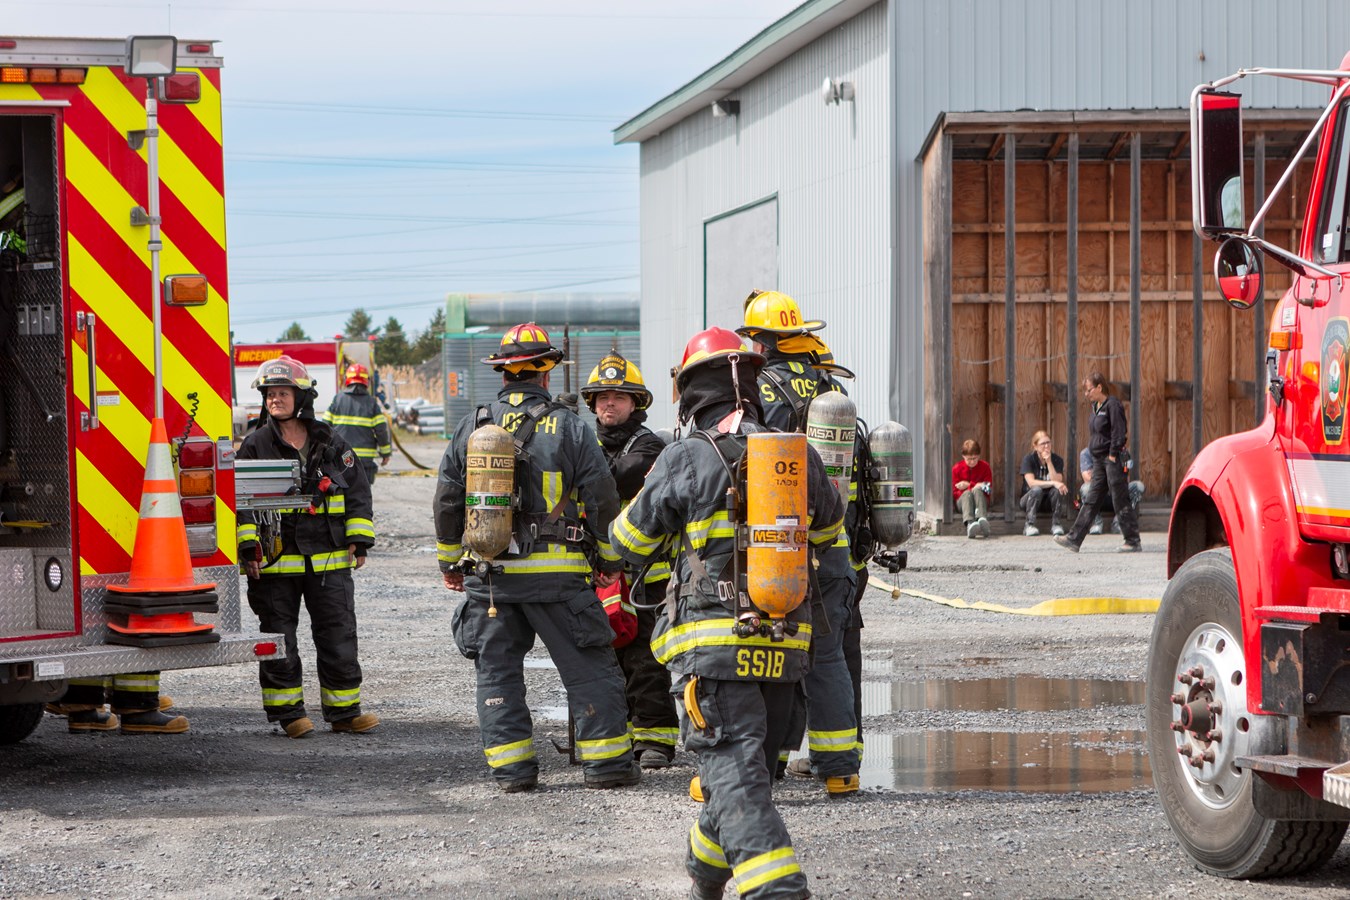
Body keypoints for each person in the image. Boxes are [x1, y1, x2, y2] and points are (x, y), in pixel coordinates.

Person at [610, 326, 844, 900]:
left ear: (693, 392)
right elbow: (832, 527)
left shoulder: (685, 455)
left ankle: (777, 890)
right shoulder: (795, 452)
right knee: (745, 777)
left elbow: (627, 541)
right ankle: (703, 880)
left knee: (736, 778)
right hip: (786, 643)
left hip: (715, 649)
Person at [434, 323, 638, 793]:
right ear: (547, 373)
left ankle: (513, 772)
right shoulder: (569, 426)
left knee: (497, 674)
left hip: (491, 577)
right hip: (558, 578)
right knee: (589, 669)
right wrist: (608, 559)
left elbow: (447, 498)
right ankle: (607, 767)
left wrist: (450, 563)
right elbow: (602, 495)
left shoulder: (475, 424)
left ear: (503, 373)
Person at [738, 290, 860, 795]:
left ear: (762, 342)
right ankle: (840, 770)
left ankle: (774, 760)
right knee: (827, 653)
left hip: (777, 547)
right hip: (834, 544)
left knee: (772, 653)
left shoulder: (758, 386)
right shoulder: (831, 387)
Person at [237, 356, 379, 738]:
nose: (274, 400)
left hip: (329, 561)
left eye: (282, 393)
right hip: (276, 565)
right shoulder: (255, 445)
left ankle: (345, 712)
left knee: (338, 635)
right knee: (280, 640)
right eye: (269, 394)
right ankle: (289, 715)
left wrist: (359, 539)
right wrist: (249, 550)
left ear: (302, 397)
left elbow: (358, 491)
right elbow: (241, 502)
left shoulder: (329, 441)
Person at [579, 352, 679, 770]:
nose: (609, 404)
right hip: (597, 573)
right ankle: (614, 735)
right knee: (603, 657)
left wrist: (577, 462)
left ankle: (655, 739)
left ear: (636, 403)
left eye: (619, 397)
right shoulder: (586, 443)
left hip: (644, 577)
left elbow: (618, 476)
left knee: (645, 658)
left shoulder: (650, 446)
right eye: (602, 397)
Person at [1056, 372, 1142, 552]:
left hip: (1112, 460)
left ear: (1099, 387)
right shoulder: (1096, 407)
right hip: (1098, 461)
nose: (1086, 394)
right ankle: (1074, 539)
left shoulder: (1113, 405)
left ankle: (1132, 540)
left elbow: (1119, 432)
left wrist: (1112, 454)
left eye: (1089, 390)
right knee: (1091, 499)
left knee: (1120, 498)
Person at [324, 363, 391, 484]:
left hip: (340, 457)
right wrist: (385, 453)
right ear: (366, 381)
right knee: (362, 496)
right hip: (364, 461)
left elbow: (325, 426)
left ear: (347, 379)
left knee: (341, 493)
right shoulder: (371, 403)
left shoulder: (338, 399)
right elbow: (381, 430)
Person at [1078, 445, 1145, 535]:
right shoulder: (1087, 453)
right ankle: (1096, 523)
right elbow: (1087, 478)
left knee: (1138, 486)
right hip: (1098, 496)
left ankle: (1119, 523)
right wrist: (1113, 473)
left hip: (1117, 494)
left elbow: (1125, 478)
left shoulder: (1122, 452)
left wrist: (1098, 475)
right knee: (1086, 488)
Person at [1019, 430, 1068, 536]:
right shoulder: (1029, 459)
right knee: (1037, 489)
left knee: (1058, 489)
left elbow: (1058, 481)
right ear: (1035, 446)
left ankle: (1056, 524)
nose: (1046, 446)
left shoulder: (1057, 460)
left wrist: (1049, 462)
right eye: (1042, 444)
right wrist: (1053, 483)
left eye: (1048, 442)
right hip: (1029, 500)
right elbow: (1031, 483)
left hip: (1048, 501)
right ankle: (1029, 525)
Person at [952, 438, 992, 538]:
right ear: (963, 456)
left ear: (979, 456)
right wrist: (976, 485)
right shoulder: (956, 468)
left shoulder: (985, 467)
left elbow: (988, 488)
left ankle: (982, 519)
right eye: (969, 459)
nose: (972, 461)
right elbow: (955, 491)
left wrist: (969, 485)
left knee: (977, 490)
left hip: (981, 501)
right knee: (967, 494)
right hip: (963, 502)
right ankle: (970, 523)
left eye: (975, 458)